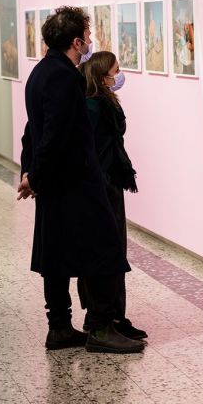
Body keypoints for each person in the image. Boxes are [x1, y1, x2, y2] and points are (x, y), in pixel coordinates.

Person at [17, 6, 143, 354]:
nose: (90, 42)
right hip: (74, 182)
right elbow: (55, 134)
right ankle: (101, 328)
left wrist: (30, 173)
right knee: (104, 249)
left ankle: (59, 327)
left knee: (56, 257)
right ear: (75, 41)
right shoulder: (64, 77)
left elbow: (32, 132)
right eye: (87, 37)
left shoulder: (40, 72)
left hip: (54, 183)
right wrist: (35, 178)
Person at [78, 51, 146, 340]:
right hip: (100, 186)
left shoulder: (105, 103)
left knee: (117, 249)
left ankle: (115, 315)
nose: (119, 76)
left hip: (112, 182)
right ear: (102, 75)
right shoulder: (92, 107)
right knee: (104, 251)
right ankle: (99, 319)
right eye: (116, 71)